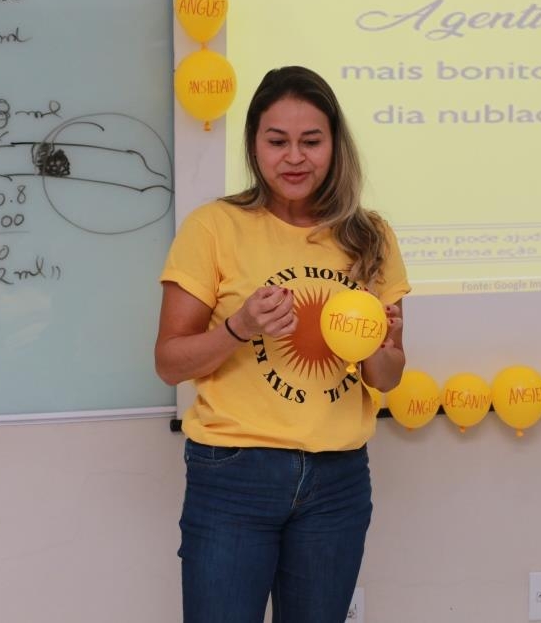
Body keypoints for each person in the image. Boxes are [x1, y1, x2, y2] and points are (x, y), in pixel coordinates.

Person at [155, 66, 411, 623]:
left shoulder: (370, 236)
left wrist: (375, 340)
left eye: (311, 141)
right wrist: (239, 327)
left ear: (335, 146)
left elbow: (387, 376)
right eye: (277, 141)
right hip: (234, 477)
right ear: (253, 145)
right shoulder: (213, 227)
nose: (295, 157)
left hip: (338, 481)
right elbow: (169, 363)